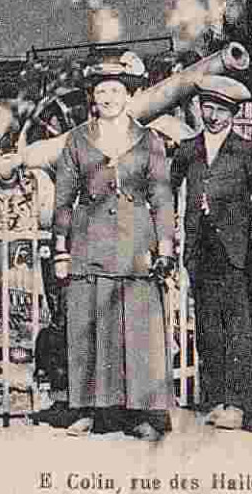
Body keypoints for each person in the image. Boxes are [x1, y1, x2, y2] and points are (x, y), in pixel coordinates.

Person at [51, 51, 176, 442]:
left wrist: (166, 247)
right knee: (89, 327)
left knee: (138, 331)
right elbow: (63, 199)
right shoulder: (77, 140)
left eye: (115, 90)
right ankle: (89, 410)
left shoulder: (148, 140)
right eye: (101, 90)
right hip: (90, 245)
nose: (107, 97)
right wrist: (61, 249)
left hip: (137, 245)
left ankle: (140, 413)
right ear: (93, 96)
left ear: (128, 94)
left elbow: (162, 197)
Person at [170, 75, 252, 432]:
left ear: (234, 113)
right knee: (207, 328)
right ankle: (214, 399)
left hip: (237, 254)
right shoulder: (187, 149)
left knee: (239, 331)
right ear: (198, 108)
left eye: (221, 109)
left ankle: (237, 403)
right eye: (207, 107)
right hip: (201, 252)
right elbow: (165, 192)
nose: (213, 115)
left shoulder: (247, 150)